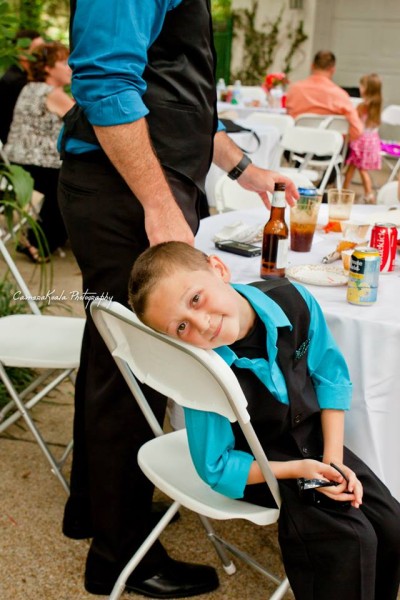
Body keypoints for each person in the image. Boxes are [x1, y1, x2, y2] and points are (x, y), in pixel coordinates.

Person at [57, 1, 298, 597]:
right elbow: (108, 80)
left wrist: (244, 168)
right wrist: (161, 204)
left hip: (134, 189)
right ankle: (122, 556)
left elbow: (172, 95)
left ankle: (92, 510)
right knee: (137, 371)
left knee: (111, 356)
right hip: (130, 195)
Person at [129, 241, 400, 600]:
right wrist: (298, 470)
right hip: (261, 461)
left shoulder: (295, 301)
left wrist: (332, 458)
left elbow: (331, 376)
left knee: (392, 525)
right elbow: (217, 467)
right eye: (181, 327)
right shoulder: (201, 367)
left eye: (196, 299)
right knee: (349, 540)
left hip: (314, 441)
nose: (201, 324)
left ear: (218, 269)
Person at [4, 41, 74, 261]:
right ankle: (38, 243)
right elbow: (85, 124)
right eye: (64, 62)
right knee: (69, 186)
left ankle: (38, 238)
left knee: (64, 182)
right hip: (35, 164)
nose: (70, 66)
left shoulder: (29, 87)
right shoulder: (51, 93)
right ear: (47, 68)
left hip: (14, 163)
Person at [286, 50, 363, 143]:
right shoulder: (339, 95)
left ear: (312, 66)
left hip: (295, 146)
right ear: (332, 69)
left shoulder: (294, 89)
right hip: (328, 151)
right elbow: (357, 130)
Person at [343, 74, 382, 204]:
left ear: (368, 89)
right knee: (354, 167)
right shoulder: (376, 104)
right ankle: (345, 190)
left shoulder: (362, 106)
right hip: (372, 140)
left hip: (361, 141)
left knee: (359, 168)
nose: (360, 87)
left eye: (362, 85)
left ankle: (368, 194)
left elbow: (354, 120)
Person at [0, 29, 44, 145]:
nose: (44, 54)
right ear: (21, 52)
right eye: (38, 49)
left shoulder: (28, 78)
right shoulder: (15, 81)